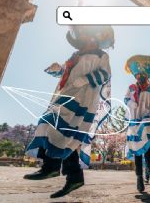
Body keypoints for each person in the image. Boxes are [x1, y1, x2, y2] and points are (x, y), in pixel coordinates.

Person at [23, 25, 114, 198]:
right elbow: (65, 74)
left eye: (87, 36)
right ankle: (71, 175)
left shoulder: (102, 55)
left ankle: (54, 168)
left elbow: (105, 74)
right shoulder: (74, 57)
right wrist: (57, 69)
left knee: (60, 128)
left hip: (84, 98)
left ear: (94, 38)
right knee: (54, 126)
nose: (85, 40)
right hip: (67, 95)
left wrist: (86, 79)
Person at [124, 55, 150, 192]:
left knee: (146, 151)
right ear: (135, 75)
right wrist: (131, 103)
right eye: (138, 74)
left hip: (147, 121)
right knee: (137, 152)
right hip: (135, 121)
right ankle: (139, 178)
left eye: (142, 75)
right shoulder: (131, 87)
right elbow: (125, 99)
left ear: (147, 75)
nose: (140, 77)